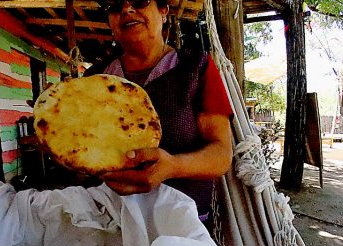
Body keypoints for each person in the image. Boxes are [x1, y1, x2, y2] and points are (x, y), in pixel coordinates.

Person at [86, 0, 234, 223]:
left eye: (140, 1)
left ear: (163, 11)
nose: (127, 9)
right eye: (115, 5)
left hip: (182, 226)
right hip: (109, 221)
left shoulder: (196, 68)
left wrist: (173, 166)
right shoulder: (93, 79)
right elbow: (85, 151)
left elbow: (222, 155)